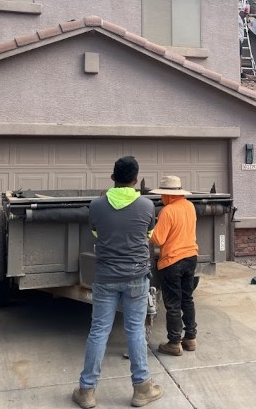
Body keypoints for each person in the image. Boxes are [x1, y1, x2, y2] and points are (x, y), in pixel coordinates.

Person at [72, 156, 163, 409]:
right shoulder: (147, 206)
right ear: (135, 180)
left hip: (105, 277)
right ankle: (142, 389)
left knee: (99, 331)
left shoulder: (97, 205)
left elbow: (96, 233)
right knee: (134, 331)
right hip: (136, 277)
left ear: (112, 177)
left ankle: (87, 391)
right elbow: (148, 235)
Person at [149, 175, 199, 356]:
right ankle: (191, 338)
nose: (161, 198)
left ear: (168, 195)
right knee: (187, 298)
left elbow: (158, 239)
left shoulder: (167, 211)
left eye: (162, 194)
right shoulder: (190, 206)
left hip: (172, 261)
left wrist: (148, 230)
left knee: (173, 303)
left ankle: (174, 342)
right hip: (191, 257)